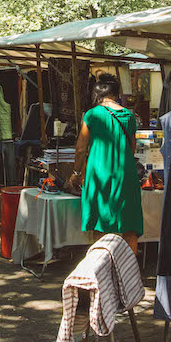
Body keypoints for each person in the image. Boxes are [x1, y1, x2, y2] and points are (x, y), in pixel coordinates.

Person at [67, 74, 143, 255]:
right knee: (129, 226)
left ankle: (101, 270)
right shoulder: (128, 116)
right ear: (117, 94)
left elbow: (80, 149)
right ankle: (128, 271)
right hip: (125, 175)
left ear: (98, 95)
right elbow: (131, 149)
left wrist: (76, 173)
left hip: (99, 176)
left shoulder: (92, 115)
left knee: (101, 225)